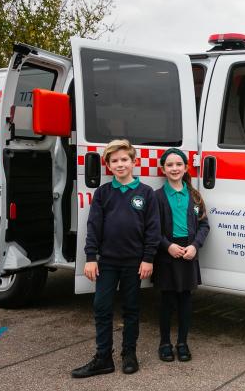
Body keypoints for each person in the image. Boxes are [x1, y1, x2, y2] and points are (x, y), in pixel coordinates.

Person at [72, 139, 160, 378]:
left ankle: (129, 354)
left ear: (134, 162)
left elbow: (153, 229)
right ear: (108, 165)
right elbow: (94, 226)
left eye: (124, 160)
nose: (120, 165)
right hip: (107, 262)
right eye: (114, 161)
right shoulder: (103, 193)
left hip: (134, 262)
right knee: (101, 307)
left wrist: (148, 258)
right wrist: (91, 257)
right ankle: (103, 358)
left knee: (131, 309)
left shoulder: (146, 193)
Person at [153, 148, 210, 362]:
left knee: (185, 300)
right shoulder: (157, 197)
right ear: (163, 169)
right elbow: (152, 229)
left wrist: (195, 246)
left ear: (186, 168)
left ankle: (182, 342)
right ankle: (165, 343)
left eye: (179, 164)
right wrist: (167, 246)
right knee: (167, 300)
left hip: (188, 252)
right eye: (169, 165)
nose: (174, 168)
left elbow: (204, 225)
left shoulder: (194, 196)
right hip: (167, 254)